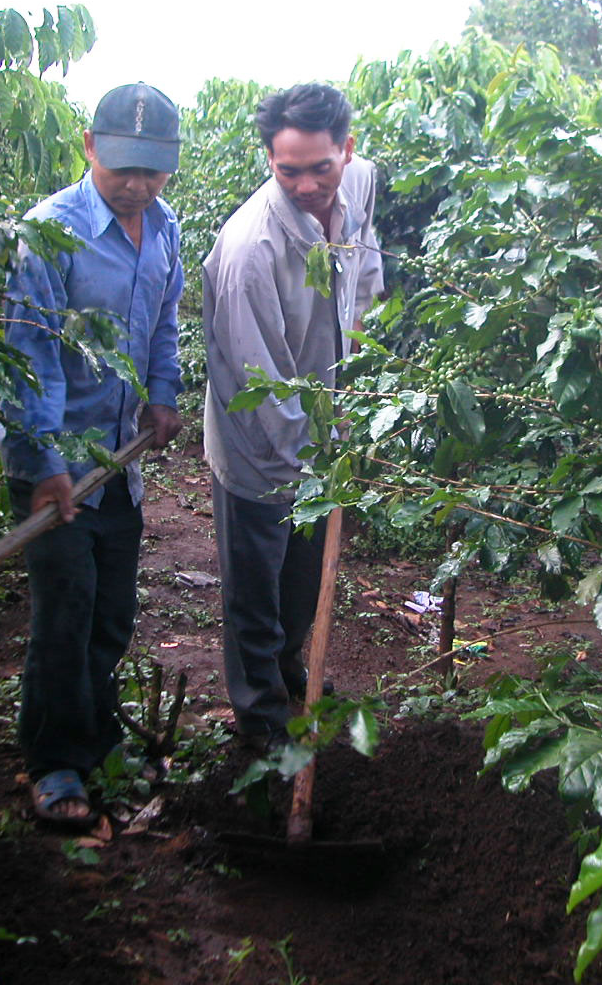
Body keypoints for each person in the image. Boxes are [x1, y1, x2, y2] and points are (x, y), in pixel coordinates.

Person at [0, 82, 185, 826]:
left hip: (121, 467)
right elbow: (27, 356)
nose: (137, 186)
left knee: (111, 615)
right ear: (88, 149)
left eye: (152, 171)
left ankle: (99, 738)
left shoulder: (165, 228)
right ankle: (54, 765)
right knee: (65, 616)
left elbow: (164, 322)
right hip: (57, 470)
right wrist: (44, 464)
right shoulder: (49, 234)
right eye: (122, 171)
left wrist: (161, 392)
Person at [202, 82, 383, 748]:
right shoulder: (252, 251)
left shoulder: (358, 185)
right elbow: (261, 391)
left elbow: (364, 278)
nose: (307, 185)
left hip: (323, 429)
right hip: (259, 443)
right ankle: (262, 724)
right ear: (268, 163)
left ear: (347, 151)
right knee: (258, 591)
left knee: (303, 585)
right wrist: (308, 475)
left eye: (320, 167)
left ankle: (290, 671)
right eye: (288, 171)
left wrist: (356, 365)